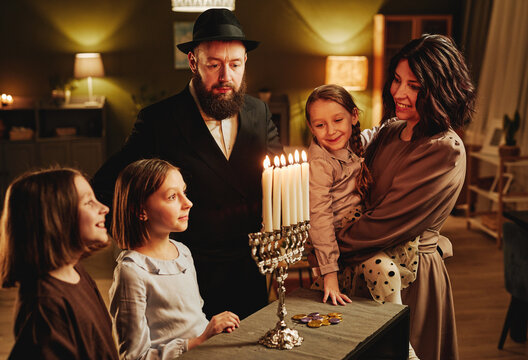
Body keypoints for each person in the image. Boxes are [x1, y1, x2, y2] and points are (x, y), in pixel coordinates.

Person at [91, 8, 282, 319]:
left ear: (245, 61)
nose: (226, 77)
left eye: (235, 65)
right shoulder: (158, 120)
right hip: (186, 274)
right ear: (193, 62)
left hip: (249, 270)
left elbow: (280, 184)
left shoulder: (259, 112)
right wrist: (140, 246)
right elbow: (107, 184)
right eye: (214, 65)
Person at [337, 34, 475, 360]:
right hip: (365, 264)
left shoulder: (444, 149)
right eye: (397, 80)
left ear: (439, 91)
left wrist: (327, 245)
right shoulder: (391, 130)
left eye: (414, 86)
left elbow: (384, 222)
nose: (399, 92)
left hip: (410, 279)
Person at [109, 159, 240, 359]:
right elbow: (134, 356)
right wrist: (200, 341)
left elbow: (194, 321)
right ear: (140, 210)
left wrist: (213, 332)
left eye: (184, 192)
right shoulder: (132, 272)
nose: (188, 203)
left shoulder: (183, 252)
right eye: (172, 196)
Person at [305, 83, 418, 305]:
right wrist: (329, 273)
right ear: (311, 127)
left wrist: (402, 122)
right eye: (320, 125)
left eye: (338, 120)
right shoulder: (319, 163)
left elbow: (378, 132)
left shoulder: (351, 145)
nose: (331, 130)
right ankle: (398, 332)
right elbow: (319, 217)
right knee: (386, 271)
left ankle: (396, 325)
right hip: (340, 238)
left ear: (354, 116)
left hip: (360, 229)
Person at [0, 168, 118, 359]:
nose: (104, 208)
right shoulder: (45, 308)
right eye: (88, 202)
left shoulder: (75, 270)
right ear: (56, 218)